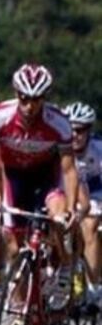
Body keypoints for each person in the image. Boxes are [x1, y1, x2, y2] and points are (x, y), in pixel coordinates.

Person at [0, 64, 79, 325]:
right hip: (14, 179)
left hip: (48, 179)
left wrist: (71, 208)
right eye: (24, 97)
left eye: (36, 99)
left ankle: (63, 267)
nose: (29, 104)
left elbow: (69, 168)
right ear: (16, 93)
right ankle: (17, 314)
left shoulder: (58, 123)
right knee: (14, 247)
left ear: (45, 98)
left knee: (59, 217)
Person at [64, 102, 102, 309]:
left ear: (89, 131)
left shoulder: (98, 149)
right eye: (70, 129)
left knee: (89, 228)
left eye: (80, 130)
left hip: (97, 196)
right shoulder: (60, 150)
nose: (75, 135)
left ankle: (94, 285)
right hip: (72, 196)